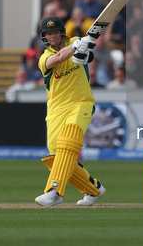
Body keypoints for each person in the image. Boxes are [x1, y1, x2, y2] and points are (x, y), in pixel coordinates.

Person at [34, 16, 106, 207]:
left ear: (62, 32)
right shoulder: (43, 58)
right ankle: (94, 189)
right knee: (57, 158)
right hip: (56, 109)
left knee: (69, 140)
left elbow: (89, 56)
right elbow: (57, 59)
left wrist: (84, 47)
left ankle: (54, 191)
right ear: (44, 37)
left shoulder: (76, 41)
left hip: (80, 102)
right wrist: (77, 47)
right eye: (49, 34)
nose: (53, 37)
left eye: (56, 32)